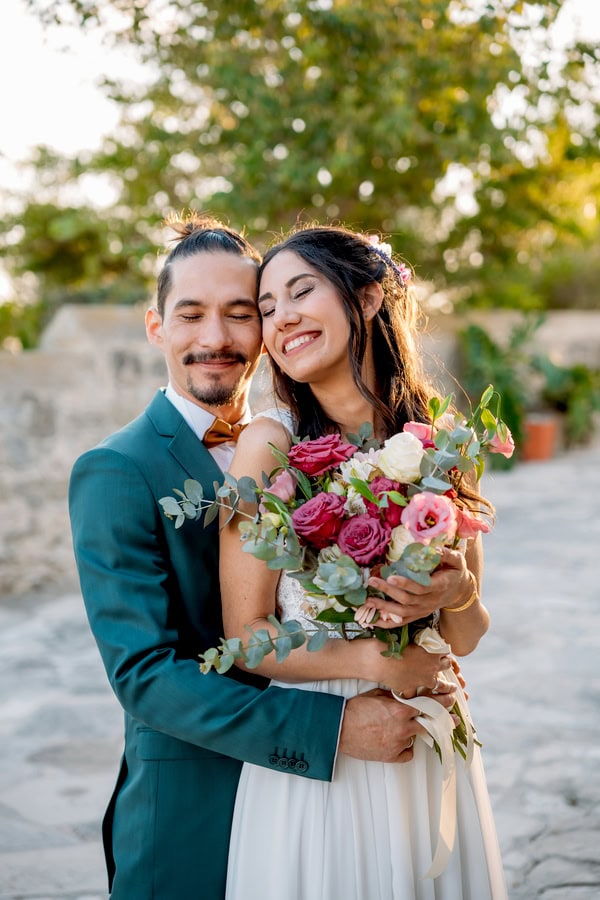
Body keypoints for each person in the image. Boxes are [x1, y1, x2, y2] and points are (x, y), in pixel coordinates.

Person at [68, 215, 459, 900]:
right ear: (156, 326)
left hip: (343, 802)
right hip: (193, 812)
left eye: (240, 313)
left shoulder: (300, 444)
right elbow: (145, 676)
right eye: (190, 315)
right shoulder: (116, 468)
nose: (215, 338)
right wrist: (334, 726)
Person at [220, 225, 508, 899]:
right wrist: (374, 663)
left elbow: (466, 637)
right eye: (266, 307)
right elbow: (243, 637)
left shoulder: (442, 445)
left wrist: (456, 593)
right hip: (327, 745)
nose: (281, 316)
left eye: (301, 291)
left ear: (369, 297)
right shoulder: (268, 446)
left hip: (429, 733)